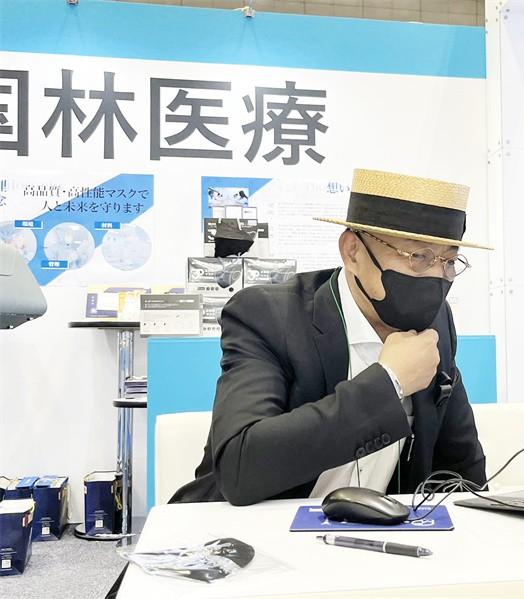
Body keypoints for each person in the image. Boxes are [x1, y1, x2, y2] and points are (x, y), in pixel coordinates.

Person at [105, 169, 490, 596]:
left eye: (449, 261)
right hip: (243, 550)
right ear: (353, 251)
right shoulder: (269, 316)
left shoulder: (436, 323)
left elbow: (462, 468)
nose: (436, 277)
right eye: (418, 257)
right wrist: (390, 381)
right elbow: (241, 464)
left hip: (370, 556)